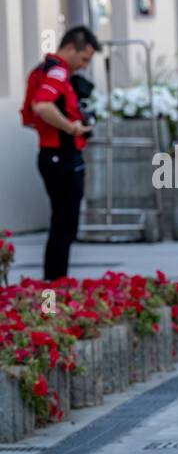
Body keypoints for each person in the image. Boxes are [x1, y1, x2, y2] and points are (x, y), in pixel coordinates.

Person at [25, 26, 100, 281]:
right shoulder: (57, 71)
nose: (83, 66)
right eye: (84, 59)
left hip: (53, 156)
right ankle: (55, 289)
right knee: (64, 228)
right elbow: (42, 106)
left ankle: (54, 289)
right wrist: (73, 127)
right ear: (70, 48)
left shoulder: (42, 69)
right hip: (61, 157)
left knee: (61, 226)